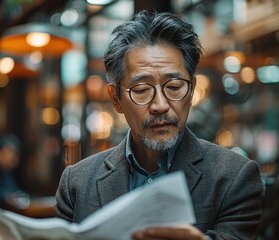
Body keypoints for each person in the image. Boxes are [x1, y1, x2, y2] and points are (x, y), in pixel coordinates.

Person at [55, 10, 263, 240]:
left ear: (192, 90)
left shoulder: (235, 176)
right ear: (116, 99)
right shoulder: (77, 182)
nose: (160, 105)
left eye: (174, 87)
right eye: (142, 90)